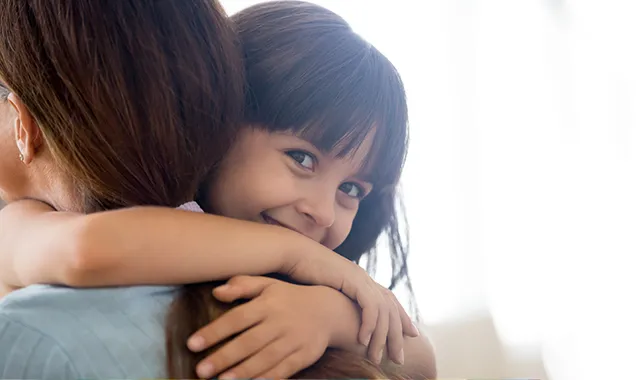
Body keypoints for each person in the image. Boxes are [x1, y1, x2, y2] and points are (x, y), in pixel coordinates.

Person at [0, 1, 436, 378]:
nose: (323, 211)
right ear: (219, 119)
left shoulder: (311, 289)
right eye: (301, 159)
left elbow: (420, 357)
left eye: (352, 189)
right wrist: (294, 252)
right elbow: (86, 250)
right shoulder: (27, 218)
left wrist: (329, 317)